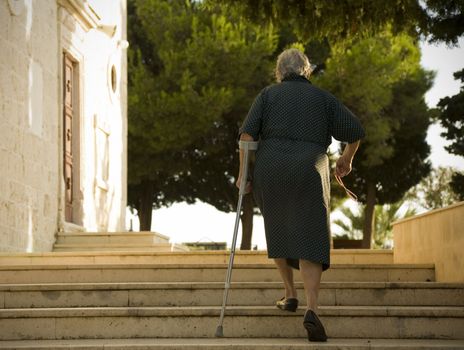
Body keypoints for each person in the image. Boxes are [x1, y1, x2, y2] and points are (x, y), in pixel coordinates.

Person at [236, 48, 365, 342]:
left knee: (277, 227)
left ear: (280, 72)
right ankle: (313, 310)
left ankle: (289, 293)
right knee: (311, 236)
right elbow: (355, 130)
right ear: (306, 71)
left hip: (271, 168)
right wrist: (347, 159)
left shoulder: (268, 95)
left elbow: (246, 137)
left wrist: (244, 174)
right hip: (310, 168)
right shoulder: (322, 98)